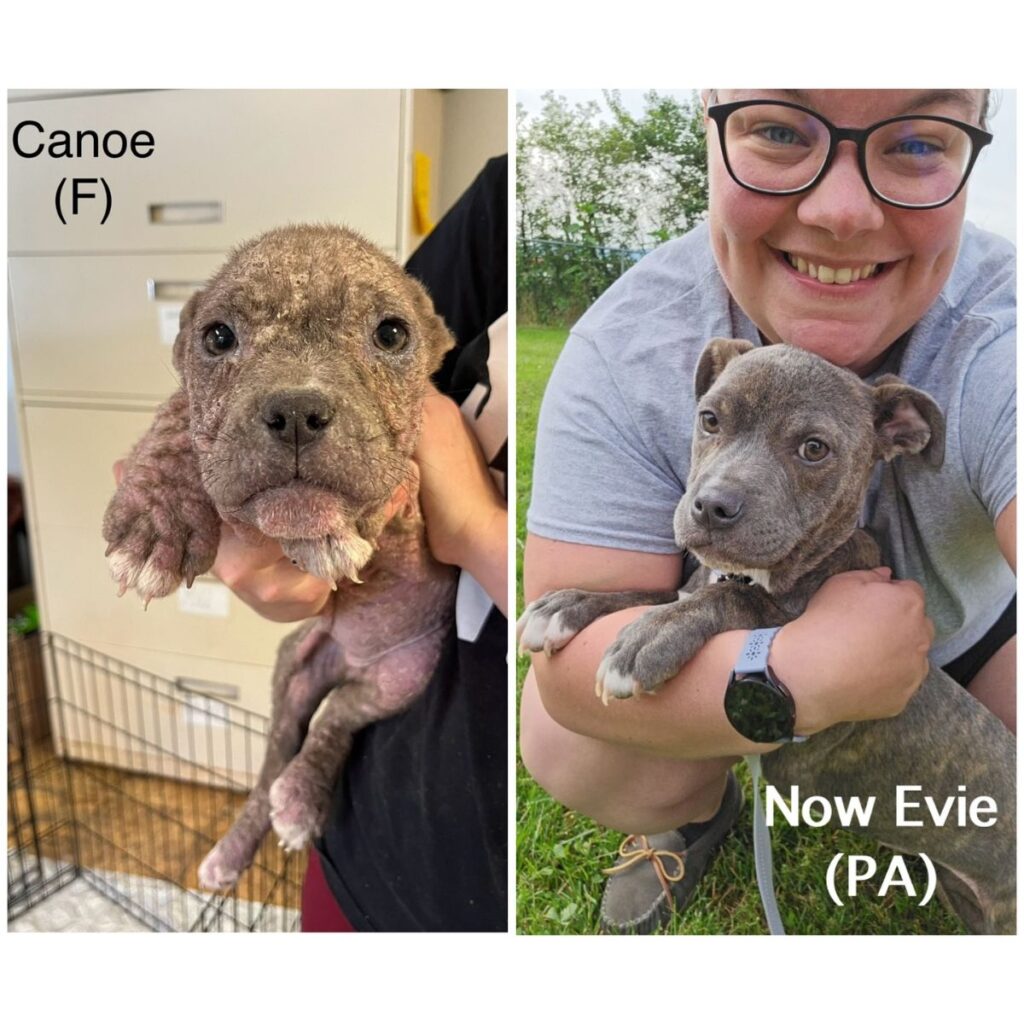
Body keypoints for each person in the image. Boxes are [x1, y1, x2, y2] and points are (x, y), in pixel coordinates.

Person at [520, 90, 1015, 934]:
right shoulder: (632, 341)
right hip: (795, 656)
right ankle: (690, 805)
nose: (841, 212)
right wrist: (788, 678)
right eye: (781, 131)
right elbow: (575, 679)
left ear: (901, 430)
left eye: (917, 143)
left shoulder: (994, 334)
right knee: (576, 725)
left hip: (962, 643)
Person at [214, 156, 508, 931]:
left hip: (475, 891)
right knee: (292, 707)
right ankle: (252, 821)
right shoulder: (504, 206)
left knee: (321, 715)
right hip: (363, 846)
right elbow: (323, 362)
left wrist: (478, 530)